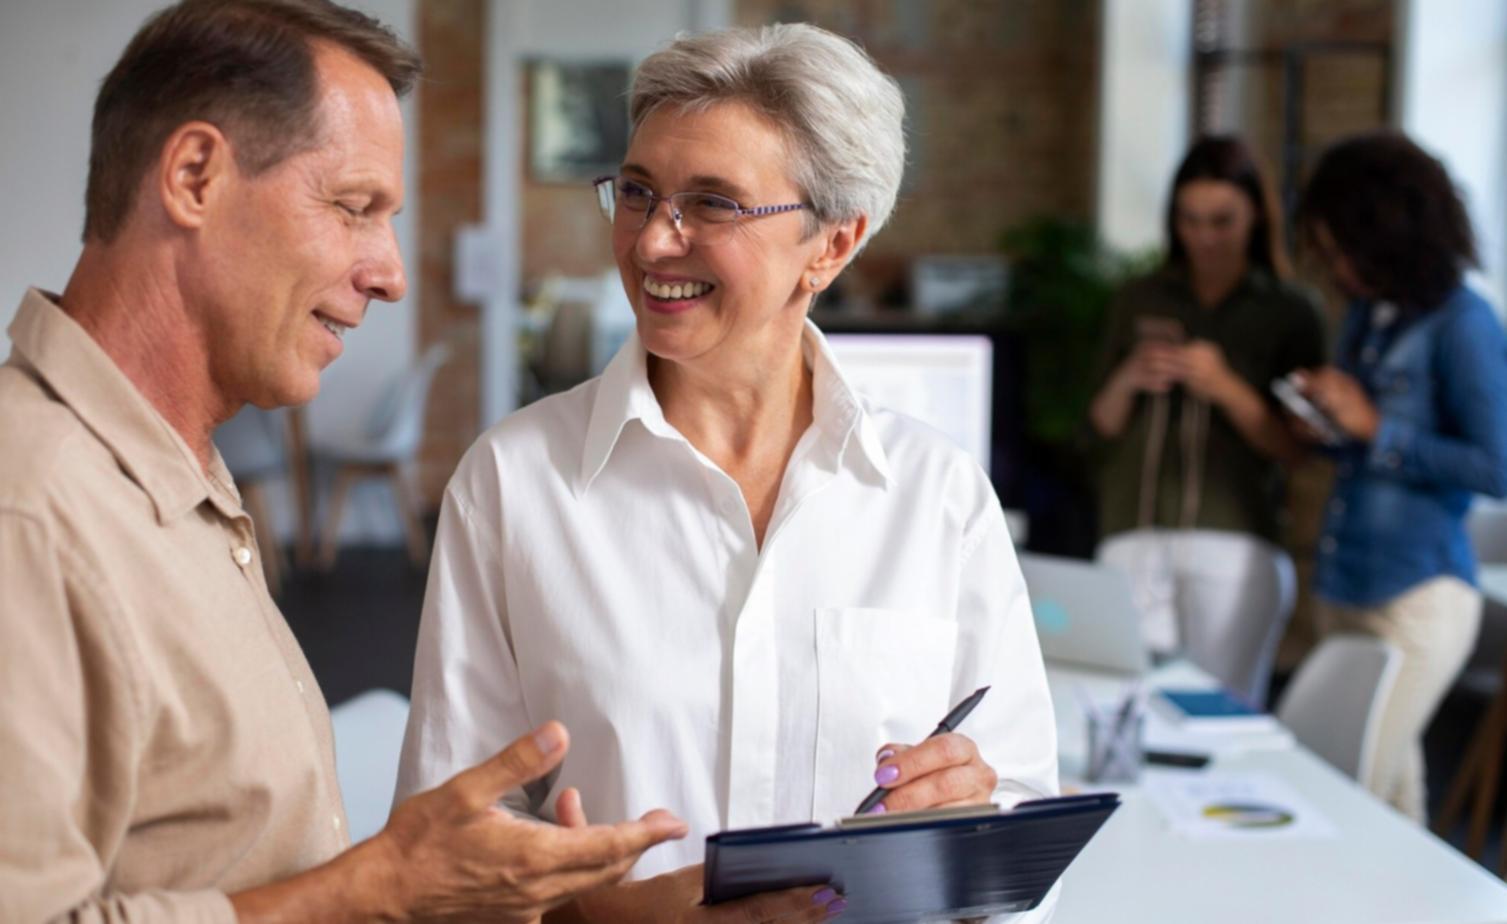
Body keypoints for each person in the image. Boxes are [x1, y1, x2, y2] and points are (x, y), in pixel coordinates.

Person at [0, 2, 690, 921]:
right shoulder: (30, 512)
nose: (390, 272)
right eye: (353, 207)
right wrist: (378, 889)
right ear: (195, 176)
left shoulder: (173, 470)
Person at [396, 22, 1058, 922]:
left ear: (831, 244)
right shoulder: (512, 486)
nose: (653, 242)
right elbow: (437, 868)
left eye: (711, 203)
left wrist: (974, 820)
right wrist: (601, 919)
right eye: (637, 192)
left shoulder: (938, 498)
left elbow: (1015, 836)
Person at [1291, 131, 1507, 823]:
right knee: (1388, 797)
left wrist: (1373, 428)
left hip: (1417, 596)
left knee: (1348, 797)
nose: (1337, 270)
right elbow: (1360, 448)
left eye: (1341, 251)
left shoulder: (1464, 323)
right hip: (1344, 581)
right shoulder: (1366, 315)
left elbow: (1495, 466)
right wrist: (1324, 426)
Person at [1086, 136, 1325, 692]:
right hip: (1133, 528)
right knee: (1125, 699)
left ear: (1256, 219)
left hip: (1234, 537)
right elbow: (1098, 424)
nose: (1204, 237)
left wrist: (1226, 387)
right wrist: (1129, 378)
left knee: (1221, 708)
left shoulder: (1288, 310)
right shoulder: (1140, 296)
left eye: (1222, 221)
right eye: (1190, 220)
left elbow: (1296, 450)